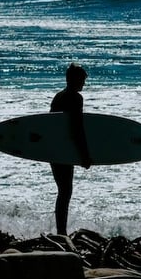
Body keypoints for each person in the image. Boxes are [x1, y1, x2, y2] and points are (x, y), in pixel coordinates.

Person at [49, 63, 92, 235]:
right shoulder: (75, 98)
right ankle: (61, 232)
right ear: (74, 79)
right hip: (65, 150)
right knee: (66, 191)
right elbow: (77, 129)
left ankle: (61, 230)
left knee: (63, 191)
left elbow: (50, 125)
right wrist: (84, 155)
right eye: (82, 79)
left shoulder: (58, 96)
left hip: (54, 149)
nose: (84, 83)